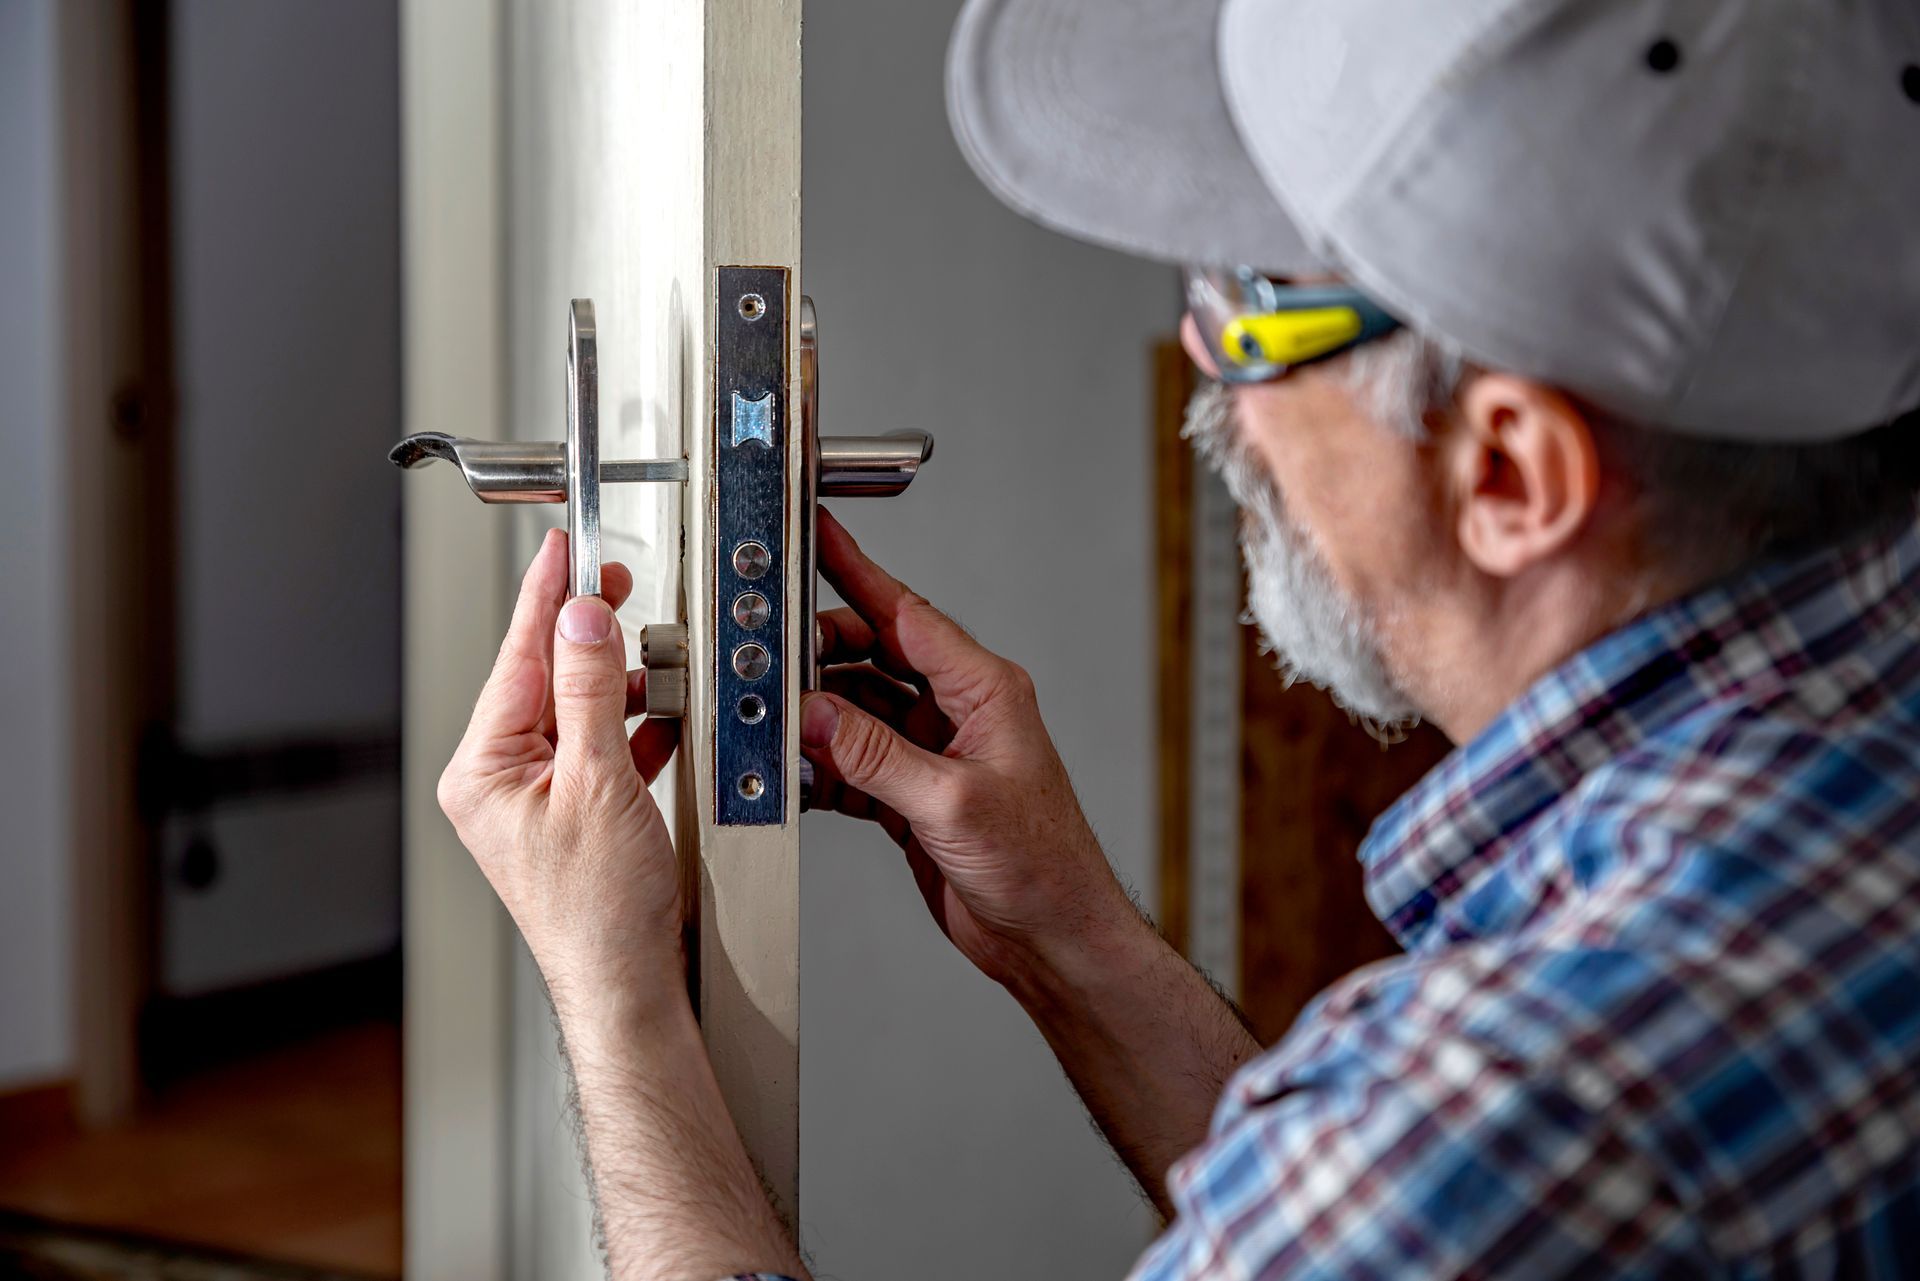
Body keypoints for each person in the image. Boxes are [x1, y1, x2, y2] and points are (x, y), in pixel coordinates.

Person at [434, 0, 1920, 1275]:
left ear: (1510, 474)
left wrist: (618, 1003)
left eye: (1254, 302)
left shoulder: (1517, 1113)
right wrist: (1070, 938)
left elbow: (1418, 1194)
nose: (1211, 382)